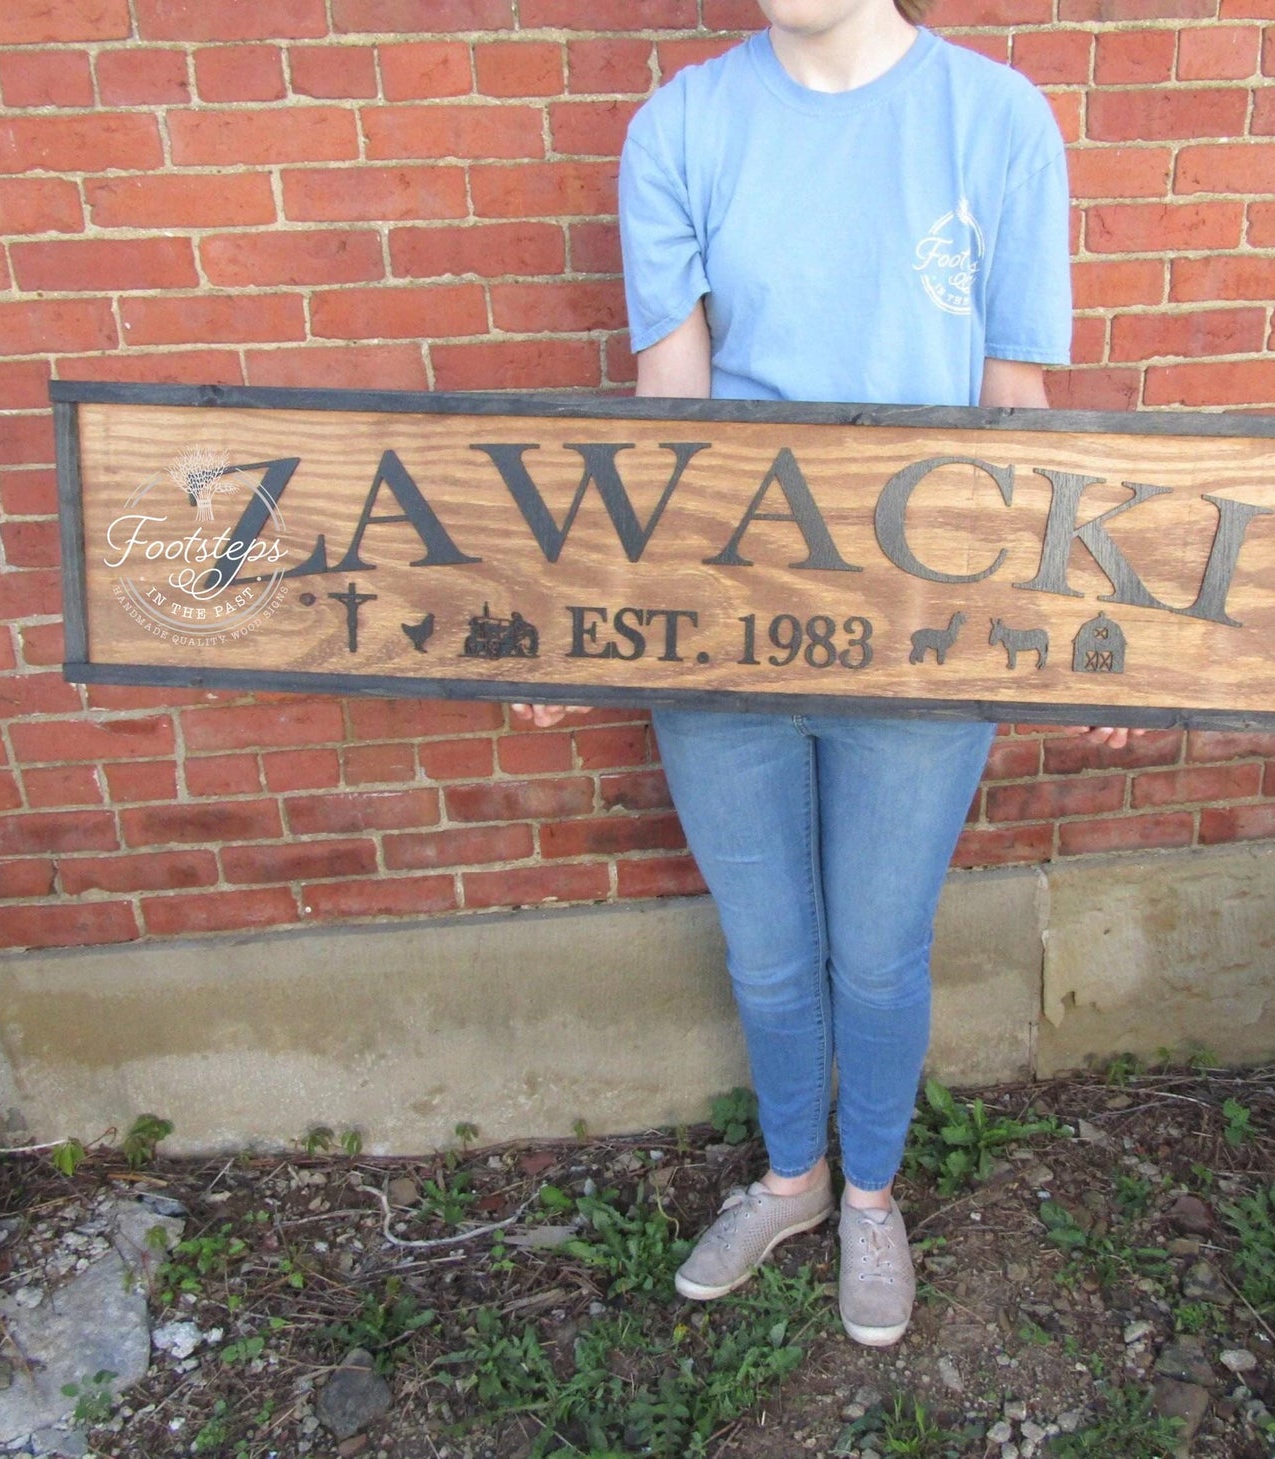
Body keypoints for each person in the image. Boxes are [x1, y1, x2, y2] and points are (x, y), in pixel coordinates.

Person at [515, 0, 1132, 1347]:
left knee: (878, 949)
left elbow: (1016, 408)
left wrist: (1074, 627)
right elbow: (672, 411)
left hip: (922, 629)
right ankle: (791, 1179)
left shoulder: (995, 120)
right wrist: (591, 619)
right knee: (767, 946)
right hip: (725, 629)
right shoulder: (681, 125)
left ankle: (869, 1197)